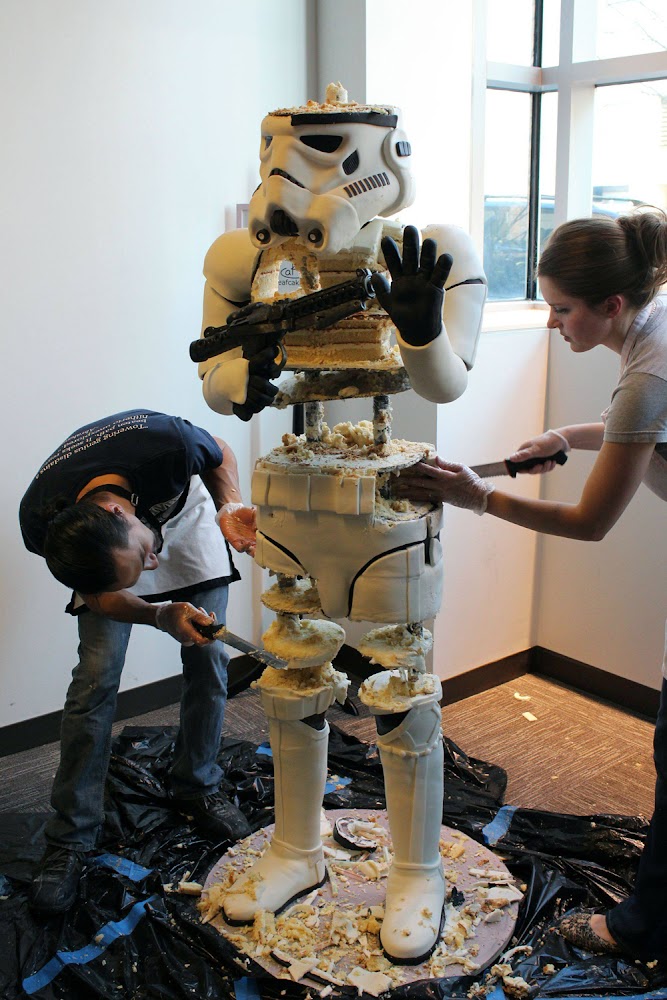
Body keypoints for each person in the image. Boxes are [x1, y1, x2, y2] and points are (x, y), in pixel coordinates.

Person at [393, 208, 667, 961]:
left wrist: (474, 496)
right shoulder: (653, 320)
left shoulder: (647, 369)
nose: (551, 324)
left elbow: (587, 523)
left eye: (560, 308)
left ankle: (636, 928)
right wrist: (565, 438)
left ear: (610, 306)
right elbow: (637, 425)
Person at [19, 409, 257, 914]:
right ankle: (71, 836)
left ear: (117, 511)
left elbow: (218, 448)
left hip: (185, 520)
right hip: (116, 547)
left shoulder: (165, 444)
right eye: (143, 570)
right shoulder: (45, 523)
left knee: (209, 660)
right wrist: (156, 612)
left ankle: (198, 786)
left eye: (148, 561)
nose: (154, 567)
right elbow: (103, 593)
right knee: (94, 680)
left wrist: (230, 504)